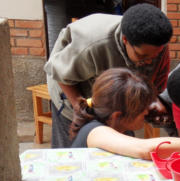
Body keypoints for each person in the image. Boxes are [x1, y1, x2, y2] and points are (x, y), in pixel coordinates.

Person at [45, 3, 173, 148]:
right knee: (75, 149)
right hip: (71, 89)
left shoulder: (157, 46)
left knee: (121, 147)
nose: (149, 60)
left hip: (118, 102)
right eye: (142, 56)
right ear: (125, 40)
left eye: (154, 56)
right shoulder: (93, 44)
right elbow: (61, 75)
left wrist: (153, 101)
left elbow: (154, 86)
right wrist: (81, 111)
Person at [70, 68, 180, 159]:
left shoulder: (115, 127)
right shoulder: (95, 131)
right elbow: (147, 149)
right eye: (141, 110)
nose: (147, 112)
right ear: (117, 115)